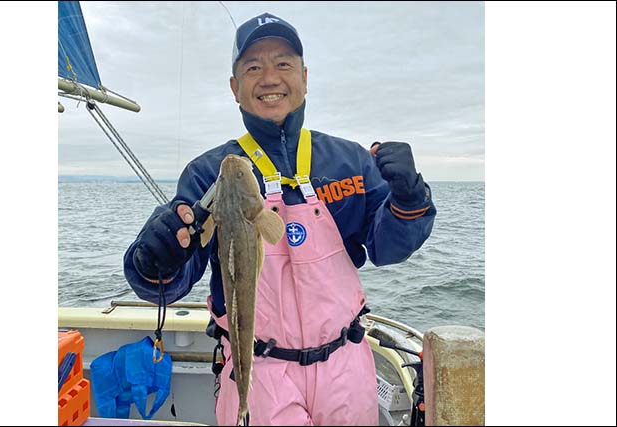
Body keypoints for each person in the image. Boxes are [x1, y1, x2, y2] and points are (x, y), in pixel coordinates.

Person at [124, 12, 436, 426]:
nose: (270, 78)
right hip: (260, 371)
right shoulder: (208, 172)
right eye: (253, 67)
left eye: (283, 64)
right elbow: (173, 281)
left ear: (305, 79)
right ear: (235, 88)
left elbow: (387, 248)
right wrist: (153, 259)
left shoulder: (351, 161)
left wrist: (410, 199)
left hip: (346, 363)